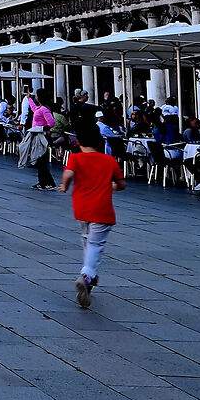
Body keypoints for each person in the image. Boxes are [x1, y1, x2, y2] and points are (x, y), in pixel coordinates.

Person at [63, 123, 125, 308]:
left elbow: (68, 174)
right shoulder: (109, 161)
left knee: (87, 239)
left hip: (81, 209)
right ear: (100, 142)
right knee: (96, 244)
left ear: (79, 142)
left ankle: (91, 276)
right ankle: (87, 276)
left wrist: (65, 185)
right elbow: (121, 184)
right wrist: (112, 186)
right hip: (102, 210)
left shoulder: (75, 158)